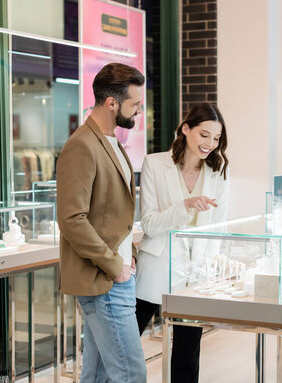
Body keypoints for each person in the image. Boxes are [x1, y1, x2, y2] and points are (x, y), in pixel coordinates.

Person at [57, 63, 147, 383]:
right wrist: (115, 264)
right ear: (111, 103)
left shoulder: (111, 142)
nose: (139, 111)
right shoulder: (81, 145)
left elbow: (113, 215)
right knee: (131, 374)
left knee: (97, 376)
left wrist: (128, 258)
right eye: (135, 104)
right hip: (104, 280)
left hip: (117, 275)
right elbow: (71, 219)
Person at [135, 102, 229, 383]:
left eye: (216, 138)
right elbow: (149, 223)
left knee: (187, 355)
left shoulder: (218, 172)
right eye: (204, 135)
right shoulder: (154, 163)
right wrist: (184, 206)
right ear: (186, 129)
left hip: (194, 276)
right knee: (128, 342)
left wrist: (210, 271)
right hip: (156, 267)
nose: (210, 144)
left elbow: (218, 228)